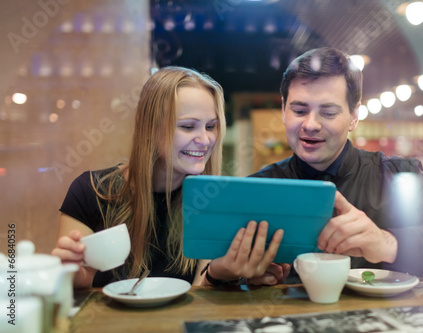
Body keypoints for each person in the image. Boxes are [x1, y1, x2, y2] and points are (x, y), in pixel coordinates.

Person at [251, 47, 423, 288]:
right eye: (299, 110)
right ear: (284, 110)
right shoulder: (257, 189)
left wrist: (390, 243)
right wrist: (228, 276)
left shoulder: (400, 179)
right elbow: (220, 272)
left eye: (328, 112)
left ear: (354, 116)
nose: (311, 124)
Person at [51, 67, 286, 288]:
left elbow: (200, 296)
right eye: (188, 126)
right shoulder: (90, 191)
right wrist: (71, 273)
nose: (205, 140)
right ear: (150, 127)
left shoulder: (213, 200)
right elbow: (76, 284)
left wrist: (220, 275)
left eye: (211, 126)